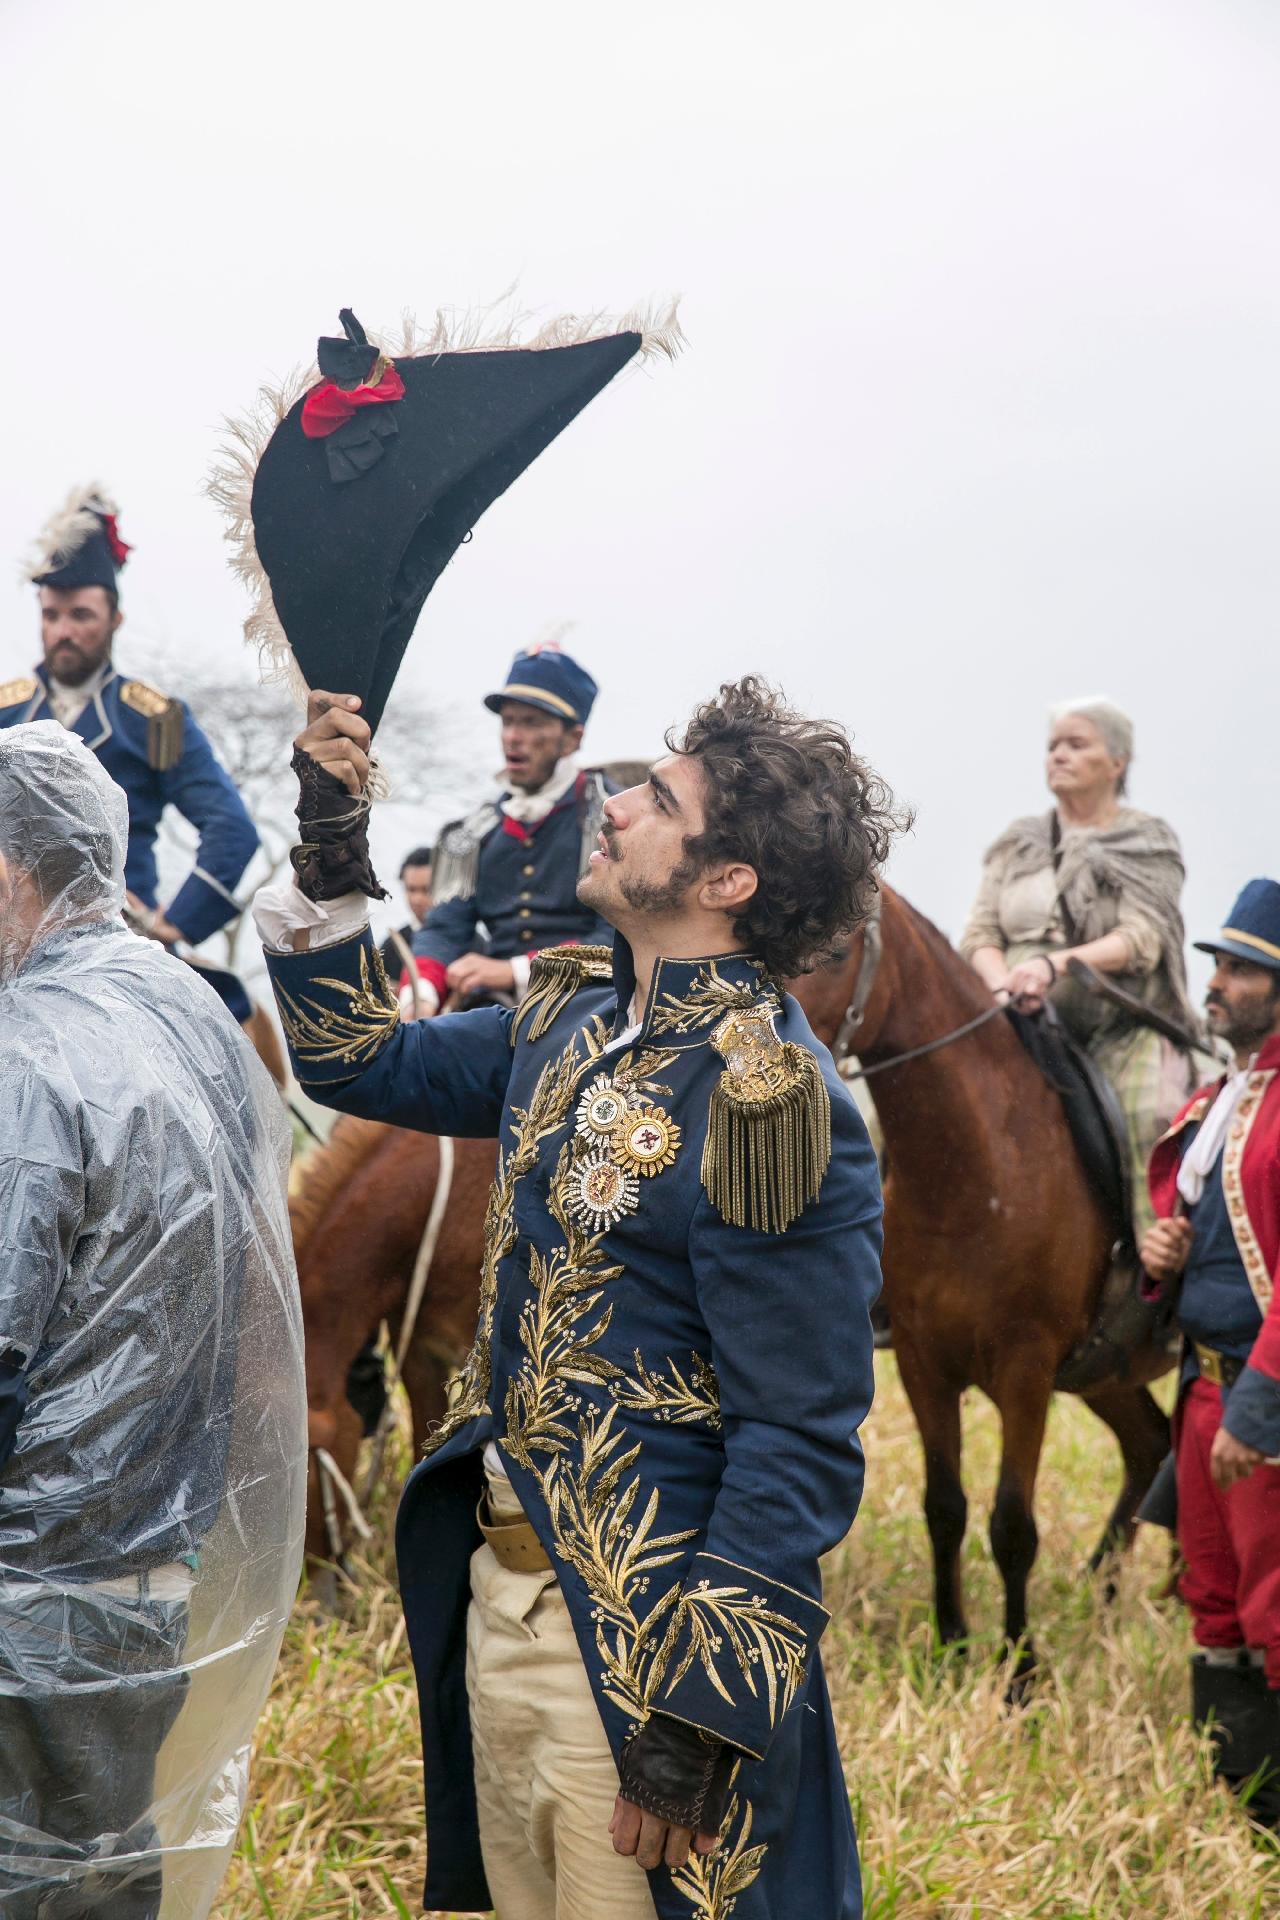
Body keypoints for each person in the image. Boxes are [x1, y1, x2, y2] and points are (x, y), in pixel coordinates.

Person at [256, 676, 900, 1920]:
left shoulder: (776, 1101)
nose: (608, 805)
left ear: (726, 883)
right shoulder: (565, 1016)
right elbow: (355, 1055)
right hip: (496, 1604)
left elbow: (801, 1436)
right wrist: (333, 845)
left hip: (639, 1658)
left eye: (657, 799)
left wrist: (697, 1728)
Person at [0, 723, 305, 1918]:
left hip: (27, 1583)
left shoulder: (27, 1048)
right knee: (99, 1872)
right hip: (150, 1570)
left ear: (12, 871)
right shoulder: (190, 1013)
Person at [1, 486, 261, 1023]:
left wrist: (177, 923)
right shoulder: (7, 714)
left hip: (116, 929)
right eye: (51, 616)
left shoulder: (152, 720)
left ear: (115, 618)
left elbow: (231, 828)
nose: (63, 632)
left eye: (81, 615)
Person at [1140, 878, 1280, 1823]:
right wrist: (1162, 1251)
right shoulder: (1215, 1098)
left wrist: (1257, 1411)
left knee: (1276, 1611)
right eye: (1220, 965)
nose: (1218, 982)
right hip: (1203, 1388)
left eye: (1242, 968)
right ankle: (1239, 1802)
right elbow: (1193, 1222)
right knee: (1215, 1599)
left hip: (1260, 1404)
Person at [961, 696, 1204, 1233]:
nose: (1058, 756)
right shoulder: (1018, 842)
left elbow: (1143, 938)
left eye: (1077, 744)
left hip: (1120, 1027)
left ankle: (1158, 1269)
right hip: (1013, 1019)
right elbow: (980, 933)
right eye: (1052, 746)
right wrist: (1001, 983)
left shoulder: (1147, 841)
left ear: (1117, 762)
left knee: (1154, 1118)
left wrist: (1053, 967)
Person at [405, 642, 614, 1016]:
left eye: (532, 722)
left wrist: (515, 970)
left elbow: (619, 934)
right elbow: (444, 929)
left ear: (573, 738)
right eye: (508, 721)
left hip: (592, 1004)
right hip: (493, 1011)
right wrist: (421, 994)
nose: (513, 736)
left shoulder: (612, 818)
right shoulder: (473, 831)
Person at [378, 843, 435, 983]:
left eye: (425, 890)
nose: (417, 899)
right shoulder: (391, 947)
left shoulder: (472, 943)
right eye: (411, 889)